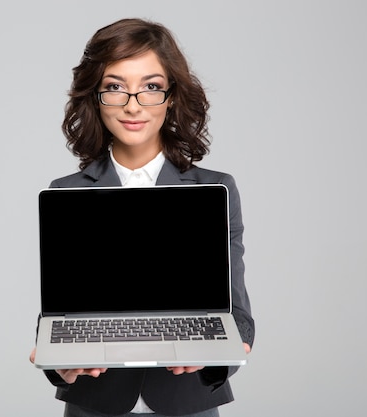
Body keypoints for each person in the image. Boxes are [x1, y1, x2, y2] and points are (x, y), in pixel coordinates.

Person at [29, 17, 255, 417]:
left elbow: (236, 314)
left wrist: (215, 357)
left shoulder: (215, 190)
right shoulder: (68, 193)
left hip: (188, 403)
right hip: (96, 403)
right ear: (94, 97)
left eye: (151, 87)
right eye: (115, 87)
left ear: (171, 96)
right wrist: (59, 367)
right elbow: (58, 313)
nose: (133, 105)